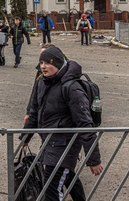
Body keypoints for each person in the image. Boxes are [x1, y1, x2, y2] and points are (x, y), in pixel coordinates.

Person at [24, 46, 103, 200]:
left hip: (65, 145)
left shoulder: (72, 88)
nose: (43, 66)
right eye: (41, 63)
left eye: (48, 63)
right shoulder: (43, 83)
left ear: (59, 63)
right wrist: (25, 137)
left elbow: (85, 124)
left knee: (52, 188)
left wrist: (94, 160)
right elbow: (34, 111)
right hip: (49, 142)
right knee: (62, 180)